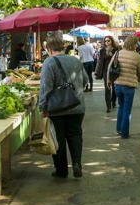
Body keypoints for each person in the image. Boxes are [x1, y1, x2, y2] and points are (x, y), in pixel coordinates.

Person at [39, 35, 89, 179]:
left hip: (57, 108)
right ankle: (77, 164)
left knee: (58, 138)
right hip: (77, 105)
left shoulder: (49, 63)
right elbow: (85, 80)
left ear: (49, 49)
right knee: (75, 135)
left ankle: (61, 171)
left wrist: (42, 107)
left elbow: (45, 88)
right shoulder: (75, 60)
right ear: (63, 47)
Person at [108, 35, 140, 138]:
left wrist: (109, 81)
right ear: (134, 44)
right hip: (129, 86)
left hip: (118, 84)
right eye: (136, 43)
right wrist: (139, 80)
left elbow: (110, 67)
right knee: (127, 109)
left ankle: (119, 129)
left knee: (121, 107)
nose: (137, 45)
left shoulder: (118, 53)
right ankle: (125, 133)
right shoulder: (137, 56)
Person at [95, 36, 119, 113]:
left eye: (108, 41)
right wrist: (97, 72)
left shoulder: (116, 50)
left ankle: (113, 101)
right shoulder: (102, 50)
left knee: (115, 88)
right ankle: (108, 106)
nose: (107, 42)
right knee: (107, 88)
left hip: (114, 71)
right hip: (106, 71)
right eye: (105, 41)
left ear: (112, 41)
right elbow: (99, 62)